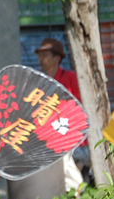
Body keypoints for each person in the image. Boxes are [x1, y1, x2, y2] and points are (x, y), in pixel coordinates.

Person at [34, 38, 89, 190]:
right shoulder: (38, 83)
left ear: (57, 58)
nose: (40, 59)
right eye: (39, 55)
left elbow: (81, 111)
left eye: (45, 55)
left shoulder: (71, 78)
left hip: (73, 139)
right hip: (47, 140)